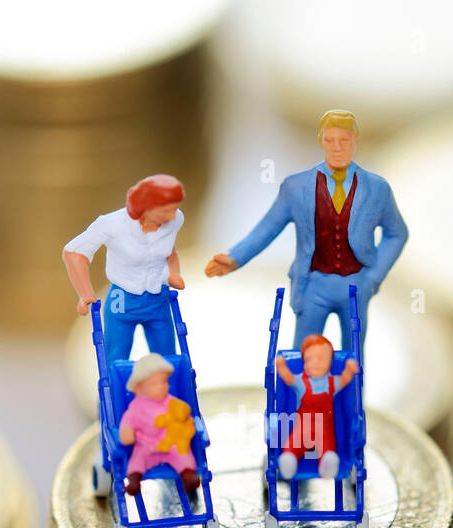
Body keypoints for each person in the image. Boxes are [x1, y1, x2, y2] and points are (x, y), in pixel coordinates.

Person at [205, 110, 406, 355]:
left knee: (354, 361)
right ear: (321, 140)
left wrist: (374, 276)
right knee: (303, 356)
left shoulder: (377, 188)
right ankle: (302, 394)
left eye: (344, 141)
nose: (337, 148)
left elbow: (397, 233)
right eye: (330, 141)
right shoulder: (296, 187)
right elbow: (268, 228)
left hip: (356, 285)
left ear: (355, 140)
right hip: (313, 285)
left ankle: (355, 394)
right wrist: (235, 257)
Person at [63, 174, 186, 364]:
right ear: (146, 206)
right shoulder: (112, 224)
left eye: (175, 209)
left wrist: (174, 273)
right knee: (116, 362)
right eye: (165, 210)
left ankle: (169, 395)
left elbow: (169, 248)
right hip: (123, 301)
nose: (172, 215)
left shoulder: (175, 219)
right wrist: (85, 293)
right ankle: (114, 393)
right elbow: (74, 253)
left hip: (158, 300)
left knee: (168, 362)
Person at [273, 334, 358, 480]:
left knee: (327, 444)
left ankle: (328, 462)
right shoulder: (300, 381)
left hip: (323, 428)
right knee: (294, 443)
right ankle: (289, 459)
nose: (316, 363)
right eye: (310, 359)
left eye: (321, 358)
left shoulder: (332, 383)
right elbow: (288, 377)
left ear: (330, 362)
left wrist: (349, 370)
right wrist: (280, 366)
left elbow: (344, 379)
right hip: (303, 426)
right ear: (305, 362)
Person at [118, 353, 200, 496]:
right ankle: (134, 480)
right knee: (138, 459)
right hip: (146, 445)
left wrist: (182, 415)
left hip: (169, 442)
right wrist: (126, 432)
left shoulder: (169, 401)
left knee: (182, 454)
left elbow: (183, 410)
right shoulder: (136, 407)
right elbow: (128, 421)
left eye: (164, 382)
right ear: (138, 388)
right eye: (155, 384)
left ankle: (188, 476)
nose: (162, 387)